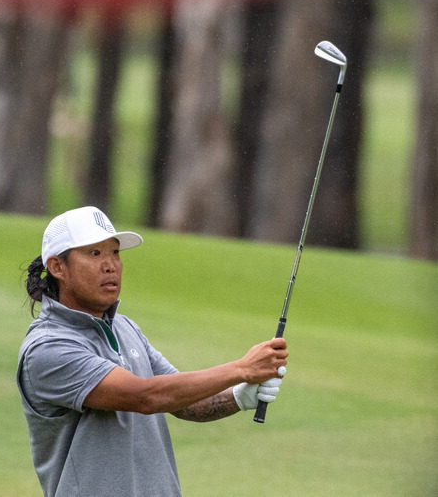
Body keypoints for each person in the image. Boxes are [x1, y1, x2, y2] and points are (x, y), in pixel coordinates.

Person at [17, 206, 289, 497]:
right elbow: (146, 396)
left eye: (115, 253)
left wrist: (238, 395)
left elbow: (184, 403)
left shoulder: (125, 329)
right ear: (58, 267)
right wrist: (241, 369)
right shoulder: (47, 348)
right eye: (95, 254)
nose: (111, 265)